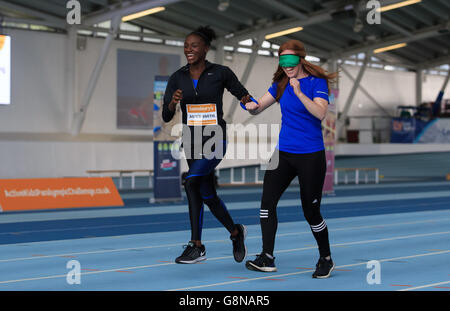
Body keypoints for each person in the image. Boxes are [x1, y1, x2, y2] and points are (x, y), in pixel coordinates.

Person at [243, 39, 337, 278]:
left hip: (310, 155)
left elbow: (320, 113)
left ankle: (325, 258)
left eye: (290, 60)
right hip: (283, 153)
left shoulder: (318, 82)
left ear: (301, 59)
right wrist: (248, 103)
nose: (286, 65)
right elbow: (259, 106)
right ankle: (267, 257)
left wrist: (298, 91)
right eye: (282, 60)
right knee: (266, 204)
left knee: (310, 212)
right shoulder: (280, 83)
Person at [162, 26, 252, 264]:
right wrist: (173, 102)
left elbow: (242, 94)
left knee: (191, 182)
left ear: (205, 48)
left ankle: (197, 245)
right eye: (186, 45)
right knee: (207, 194)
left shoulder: (220, 72)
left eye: (193, 45)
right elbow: (165, 115)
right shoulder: (177, 77)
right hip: (191, 140)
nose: (188, 49)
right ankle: (236, 233)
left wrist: (251, 103)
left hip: (215, 139)